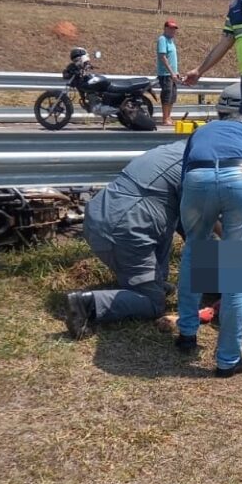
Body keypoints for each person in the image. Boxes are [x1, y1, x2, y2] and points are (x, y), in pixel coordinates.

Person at [174, 116, 242, 376]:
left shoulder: (203, 130)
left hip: (197, 179)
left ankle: (187, 334)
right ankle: (228, 359)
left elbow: (186, 170)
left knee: (196, 254)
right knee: (237, 268)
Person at [63, 141, 186, 338]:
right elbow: (201, 229)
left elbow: (186, 223)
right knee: (154, 303)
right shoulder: (203, 166)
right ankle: (87, 304)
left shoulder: (176, 150)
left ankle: (151, 283)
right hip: (124, 231)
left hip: (104, 217)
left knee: (170, 220)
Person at [155, 19, 180, 127]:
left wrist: (176, 72)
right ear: (165, 28)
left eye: (174, 29)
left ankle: (169, 116)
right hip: (165, 74)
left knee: (172, 96)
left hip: (172, 74)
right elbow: (163, 57)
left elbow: (172, 58)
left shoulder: (171, 41)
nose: (172, 31)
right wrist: (171, 72)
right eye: (170, 28)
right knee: (166, 95)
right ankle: (165, 118)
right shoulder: (162, 39)